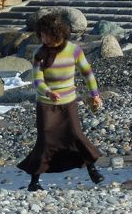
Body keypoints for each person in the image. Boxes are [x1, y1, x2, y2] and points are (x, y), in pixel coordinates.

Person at [17, 13, 105, 191]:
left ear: (57, 33)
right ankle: (34, 182)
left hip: (68, 101)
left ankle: (92, 170)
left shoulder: (74, 50)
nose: (43, 38)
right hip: (46, 103)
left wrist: (94, 94)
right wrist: (48, 92)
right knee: (46, 141)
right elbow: (37, 81)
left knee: (76, 134)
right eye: (41, 35)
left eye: (46, 35)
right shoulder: (39, 54)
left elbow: (87, 72)